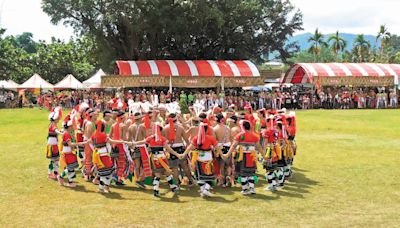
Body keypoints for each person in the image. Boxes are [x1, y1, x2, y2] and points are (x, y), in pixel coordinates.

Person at [128, 123, 180, 197]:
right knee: (167, 173)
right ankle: (173, 187)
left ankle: (156, 190)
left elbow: (141, 142)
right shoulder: (162, 139)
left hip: (153, 159)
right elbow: (168, 149)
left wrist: (133, 143)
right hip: (162, 158)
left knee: (157, 175)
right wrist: (177, 154)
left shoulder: (150, 138)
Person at [223, 120, 262, 195]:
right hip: (251, 157)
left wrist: (227, 154)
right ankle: (252, 189)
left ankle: (245, 189)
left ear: (243, 126)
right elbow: (259, 147)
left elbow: (234, 146)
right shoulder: (254, 136)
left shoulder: (240, 135)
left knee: (243, 173)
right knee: (251, 173)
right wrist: (264, 155)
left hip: (242, 157)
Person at [181, 123, 219, 197]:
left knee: (199, 174)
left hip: (199, 158)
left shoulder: (196, 138)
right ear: (207, 129)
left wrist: (183, 154)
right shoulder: (210, 138)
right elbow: (216, 147)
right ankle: (205, 190)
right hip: (208, 158)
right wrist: (222, 154)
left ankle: (203, 190)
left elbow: (189, 148)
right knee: (209, 175)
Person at [90, 120, 126, 193]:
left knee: (106, 173)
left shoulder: (94, 135)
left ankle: (106, 187)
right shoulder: (103, 135)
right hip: (104, 157)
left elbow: (89, 142)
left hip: (98, 156)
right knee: (106, 174)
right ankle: (101, 188)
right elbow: (112, 141)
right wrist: (123, 141)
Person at [162, 113, 194, 186]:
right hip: (180, 148)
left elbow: (163, 140)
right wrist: (189, 149)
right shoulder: (180, 128)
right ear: (176, 119)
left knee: (174, 167)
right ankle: (190, 180)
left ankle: (176, 183)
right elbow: (186, 140)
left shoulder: (165, 128)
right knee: (185, 166)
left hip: (170, 149)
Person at [58, 115, 88, 187]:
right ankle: (63, 178)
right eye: (72, 126)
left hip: (70, 153)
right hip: (68, 153)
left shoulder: (69, 133)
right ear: (69, 126)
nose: (73, 128)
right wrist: (81, 143)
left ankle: (69, 181)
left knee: (72, 168)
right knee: (70, 168)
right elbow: (70, 144)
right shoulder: (67, 134)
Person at [127, 112, 149, 189]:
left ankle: (137, 179)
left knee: (137, 166)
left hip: (134, 147)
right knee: (145, 164)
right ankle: (140, 179)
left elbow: (129, 139)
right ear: (140, 118)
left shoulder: (130, 127)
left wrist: (131, 147)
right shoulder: (143, 126)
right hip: (142, 146)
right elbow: (146, 138)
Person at [213, 113, 233, 187]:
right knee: (228, 164)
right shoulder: (227, 128)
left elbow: (215, 140)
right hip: (228, 146)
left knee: (221, 165)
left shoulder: (215, 129)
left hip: (220, 147)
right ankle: (228, 177)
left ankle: (222, 181)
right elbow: (231, 138)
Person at [46, 107, 63, 181]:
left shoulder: (52, 124)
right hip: (53, 145)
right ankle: (51, 173)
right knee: (54, 160)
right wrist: (61, 133)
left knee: (55, 160)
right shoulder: (53, 125)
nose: (59, 119)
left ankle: (54, 173)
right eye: (58, 118)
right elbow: (55, 131)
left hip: (52, 144)